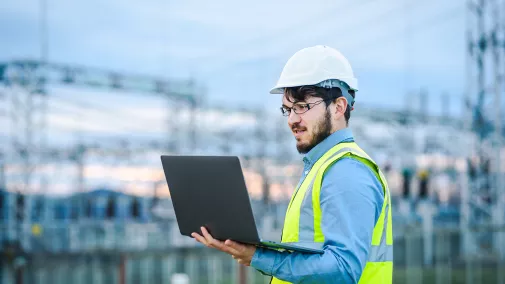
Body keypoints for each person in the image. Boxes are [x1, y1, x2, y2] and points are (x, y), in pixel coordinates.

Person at [191, 45, 393, 283]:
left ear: (339, 107)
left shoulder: (346, 169)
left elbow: (342, 269)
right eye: (287, 110)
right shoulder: (323, 167)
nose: (292, 120)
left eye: (302, 107)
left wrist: (257, 256)